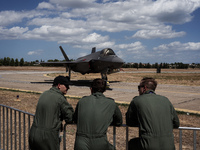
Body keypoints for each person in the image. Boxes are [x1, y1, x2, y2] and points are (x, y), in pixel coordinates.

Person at [126, 77, 180, 150]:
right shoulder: (166, 100)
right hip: (169, 145)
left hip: (148, 144)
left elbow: (129, 121)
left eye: (139, 87)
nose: (138, 90)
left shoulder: (137, 100)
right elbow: (176, 123)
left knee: (132, 144)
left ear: (144, 88)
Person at [73, 78, 122, 150]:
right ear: (104, 90)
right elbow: (119, 121)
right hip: (100, 141)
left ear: (91, 89)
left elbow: (75, 119)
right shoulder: (111, 103)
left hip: (81, 142)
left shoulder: (82, 101)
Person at [29, 76, 74, 150]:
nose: (68, 88)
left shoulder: (44, 94)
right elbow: (70, 117)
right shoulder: (60, 98)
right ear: (59, 85)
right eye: (66, 86)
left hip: (34, 133)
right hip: (48, 138)